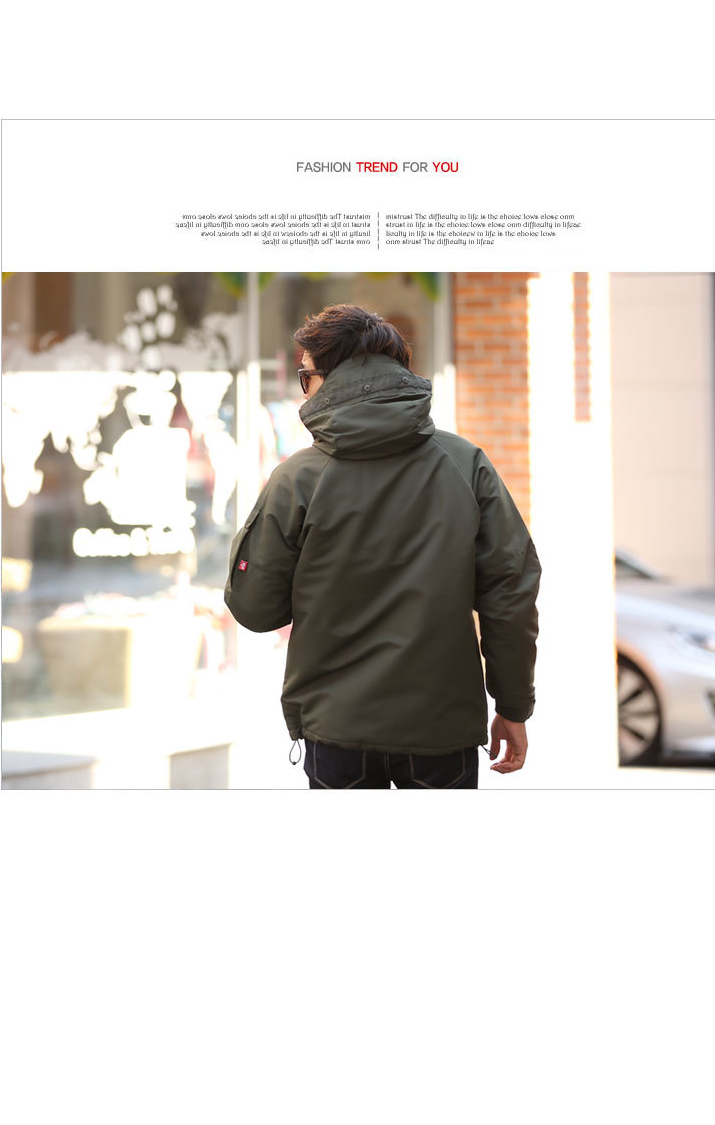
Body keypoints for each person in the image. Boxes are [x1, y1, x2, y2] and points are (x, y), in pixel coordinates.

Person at [224, 303, 541, 787]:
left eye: (306, 376)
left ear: (333, 378)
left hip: (338, 728)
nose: (303, 389)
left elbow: (254, 607)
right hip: (442, 726)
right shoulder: (465, 464)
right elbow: (510, 595)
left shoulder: (299, 478)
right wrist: (513, 705)